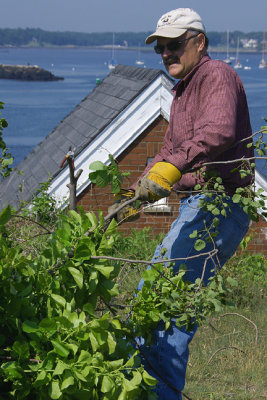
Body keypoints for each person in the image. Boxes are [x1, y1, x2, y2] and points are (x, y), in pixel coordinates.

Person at [113, 8, 254, 399]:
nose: (167, 53)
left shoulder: (217, 76)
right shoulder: (181, 93)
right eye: (161, 47)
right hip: (199, 206)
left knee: (166, 307)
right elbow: (169, 153)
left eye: (175, 44)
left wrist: (171, 168)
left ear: (199, 42)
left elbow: (219, 131)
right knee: (151, 299)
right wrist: (133, 195)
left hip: (219, 205)